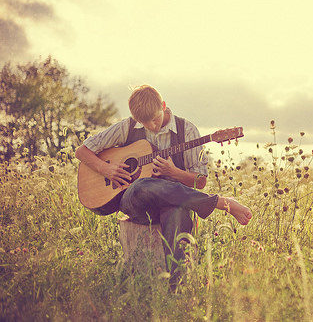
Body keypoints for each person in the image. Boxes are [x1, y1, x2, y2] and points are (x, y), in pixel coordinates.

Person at [75, 84, 252, 285]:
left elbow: (200, 181)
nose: (151, 126)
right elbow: (82, 151)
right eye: (144, 122)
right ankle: (221, 203)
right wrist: (105, 169)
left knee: (177, 210)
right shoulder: (128, 127)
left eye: (155, 119)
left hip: (173, 203)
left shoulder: (187, 130)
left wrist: (173, 172)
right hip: (136, 203)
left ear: (164, 106)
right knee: (142, 185)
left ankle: (175, 287)